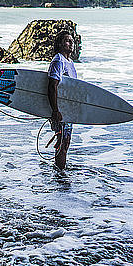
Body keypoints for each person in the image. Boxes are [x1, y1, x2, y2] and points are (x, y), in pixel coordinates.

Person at [47, 31, 77, 169]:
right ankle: (60, 174)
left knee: (66, 142)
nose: (71, 43)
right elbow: (52, 86)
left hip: (67, 109)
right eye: (67, 41)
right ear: (60, 44)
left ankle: (60, 171)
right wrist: (55, 110)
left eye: (72, 41)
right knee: (62, 142)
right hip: (60, 110)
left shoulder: (69, 62)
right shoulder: (58, 60)